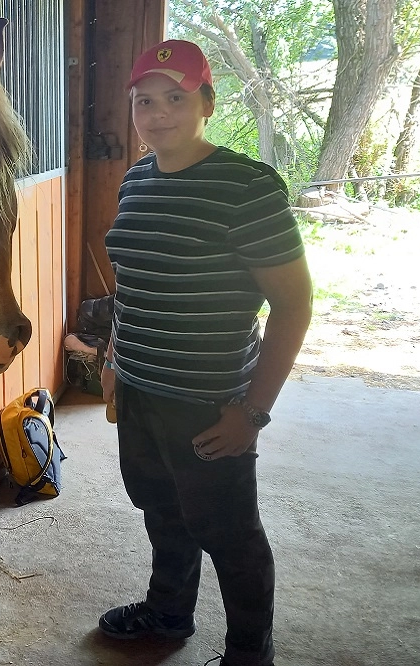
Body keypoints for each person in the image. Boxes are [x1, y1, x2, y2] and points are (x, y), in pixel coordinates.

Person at [98, 38, 313, 666]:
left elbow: (294, 306)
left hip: (207, 400)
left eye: (175, 97)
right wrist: (112, 361)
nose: (157, 113)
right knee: (161, 508)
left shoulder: (248, 187)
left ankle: (250, 652)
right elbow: (131, 285)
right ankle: (168, 611)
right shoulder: (136, 179)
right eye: (144, 101)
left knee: (230, 533)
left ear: (208, 103)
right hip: (138, 389)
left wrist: (252, 412)